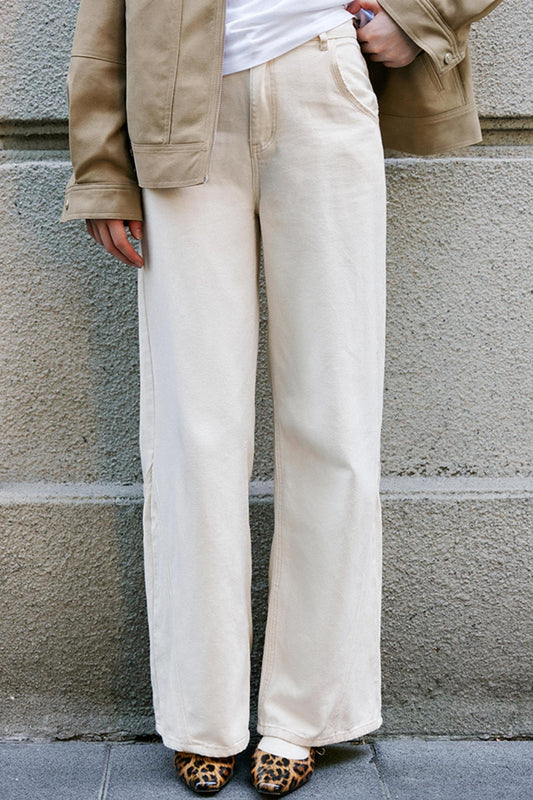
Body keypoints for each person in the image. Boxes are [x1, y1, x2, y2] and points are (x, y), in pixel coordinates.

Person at [61, 1, 502, 795]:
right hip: (177, 102)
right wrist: (100, 165)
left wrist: (422, 15)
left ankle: (306, 712)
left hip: (322, 77)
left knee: (331, 419)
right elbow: (106, 18)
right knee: (195, 427)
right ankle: (203, 715)